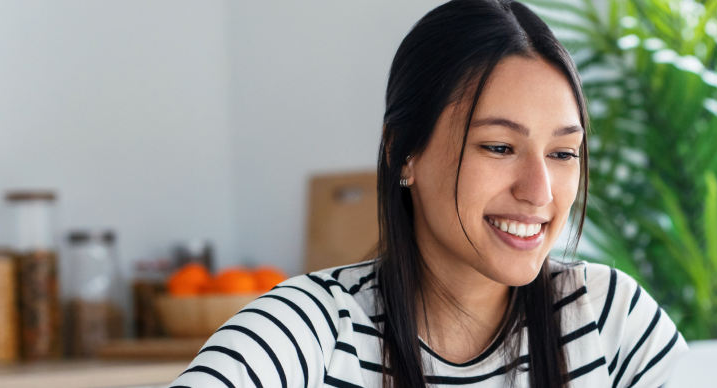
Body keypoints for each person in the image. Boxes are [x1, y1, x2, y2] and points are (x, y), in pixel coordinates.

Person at [169, 0, 686, 387]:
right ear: (403, 153)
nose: (538, 192)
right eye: (499, 147)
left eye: (563, 153)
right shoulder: (310, 330)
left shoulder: (609, 319)